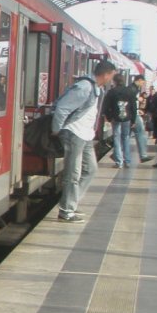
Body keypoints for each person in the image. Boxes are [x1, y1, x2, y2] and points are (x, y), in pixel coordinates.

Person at [51, 60, 117, 223]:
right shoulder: (85, 87)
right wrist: (57, 129)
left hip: (85, 135)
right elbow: (62, 108)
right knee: (73, 173)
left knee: (91, 170)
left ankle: (70, 204)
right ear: (106, 74)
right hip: (74, 133)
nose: (111, 80)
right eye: (112, 76)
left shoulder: (96, 88)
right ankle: (66, 211)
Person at [101, 73, 137, 168]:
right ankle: (127, 161)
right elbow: (134, 106)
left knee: (116, 138)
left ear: (114, 81)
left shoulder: (111, 92)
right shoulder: (130, 91)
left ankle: (119, 162)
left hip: (115, 118)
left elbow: (106, 106)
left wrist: (109, 117)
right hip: (127, 118)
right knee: (126, 138)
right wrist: (133, 120)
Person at [130, 75, 153, 163]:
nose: (143, 84)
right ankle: (143, 155)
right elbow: (131, 100)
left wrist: (137, 109)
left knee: (125, 136)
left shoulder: (134, 88)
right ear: (139, 80)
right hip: (133, 114)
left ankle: (118, 154)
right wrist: (137, 99)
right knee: (141, 132)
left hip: (134, 113)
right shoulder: (133, 89)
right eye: (143, 82)